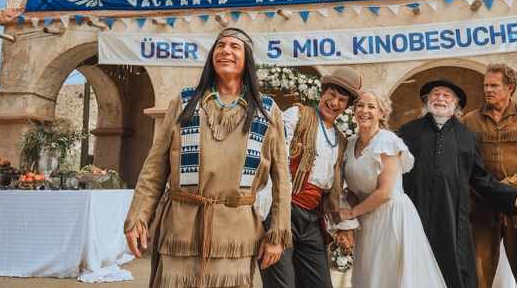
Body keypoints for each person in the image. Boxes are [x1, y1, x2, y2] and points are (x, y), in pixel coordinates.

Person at [124, 28, 292, 288]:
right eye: (220, 46)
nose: (225, 51)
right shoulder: (184, 103)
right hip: (181, 231)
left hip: (235, 234)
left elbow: (281, 179)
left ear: (247, 59)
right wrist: (138, 217)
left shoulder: (267, 110)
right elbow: (155, 166)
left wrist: (278, 233)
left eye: (234, 46)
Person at [399, 78, 517, 288]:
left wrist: (511, 196)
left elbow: (479, 178)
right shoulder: (408, 131)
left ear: (455, 103)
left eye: (447, 95)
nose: (440, 98)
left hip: (453, 219)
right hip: (415, 214)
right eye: (435, 94)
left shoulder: (467, 136)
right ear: (427, 99)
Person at [260, 66, 361, 288]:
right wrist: (273, 221)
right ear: (322, 93)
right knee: (282, 284)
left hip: (312, 218)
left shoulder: (341, 140)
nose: (334, 103)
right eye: (331, 95)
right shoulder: (296, 116)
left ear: (346, 107)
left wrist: (344, 225)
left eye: (342, 100)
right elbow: (272, 162)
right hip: (283, 210)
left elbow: (337, 187)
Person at [339, 89, 447, 287]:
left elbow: (385, 192)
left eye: (371, 107)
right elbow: (353, 190)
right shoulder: (350, 143)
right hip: (367, 220)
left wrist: (352, 213)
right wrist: (347, 221)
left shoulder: (387, 142)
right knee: (371, 275)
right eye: (360, 105)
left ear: (381, 113)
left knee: (390, 275)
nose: (364, 111)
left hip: (391, 217)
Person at [461, 63, 517, 288]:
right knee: (477, 276)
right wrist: (496, 193)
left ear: (510, 88)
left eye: (494, 85)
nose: (488, 90)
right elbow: (465, 166)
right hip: (481, 207)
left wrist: (503, 191)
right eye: (485, 85)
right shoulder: (470, 121)